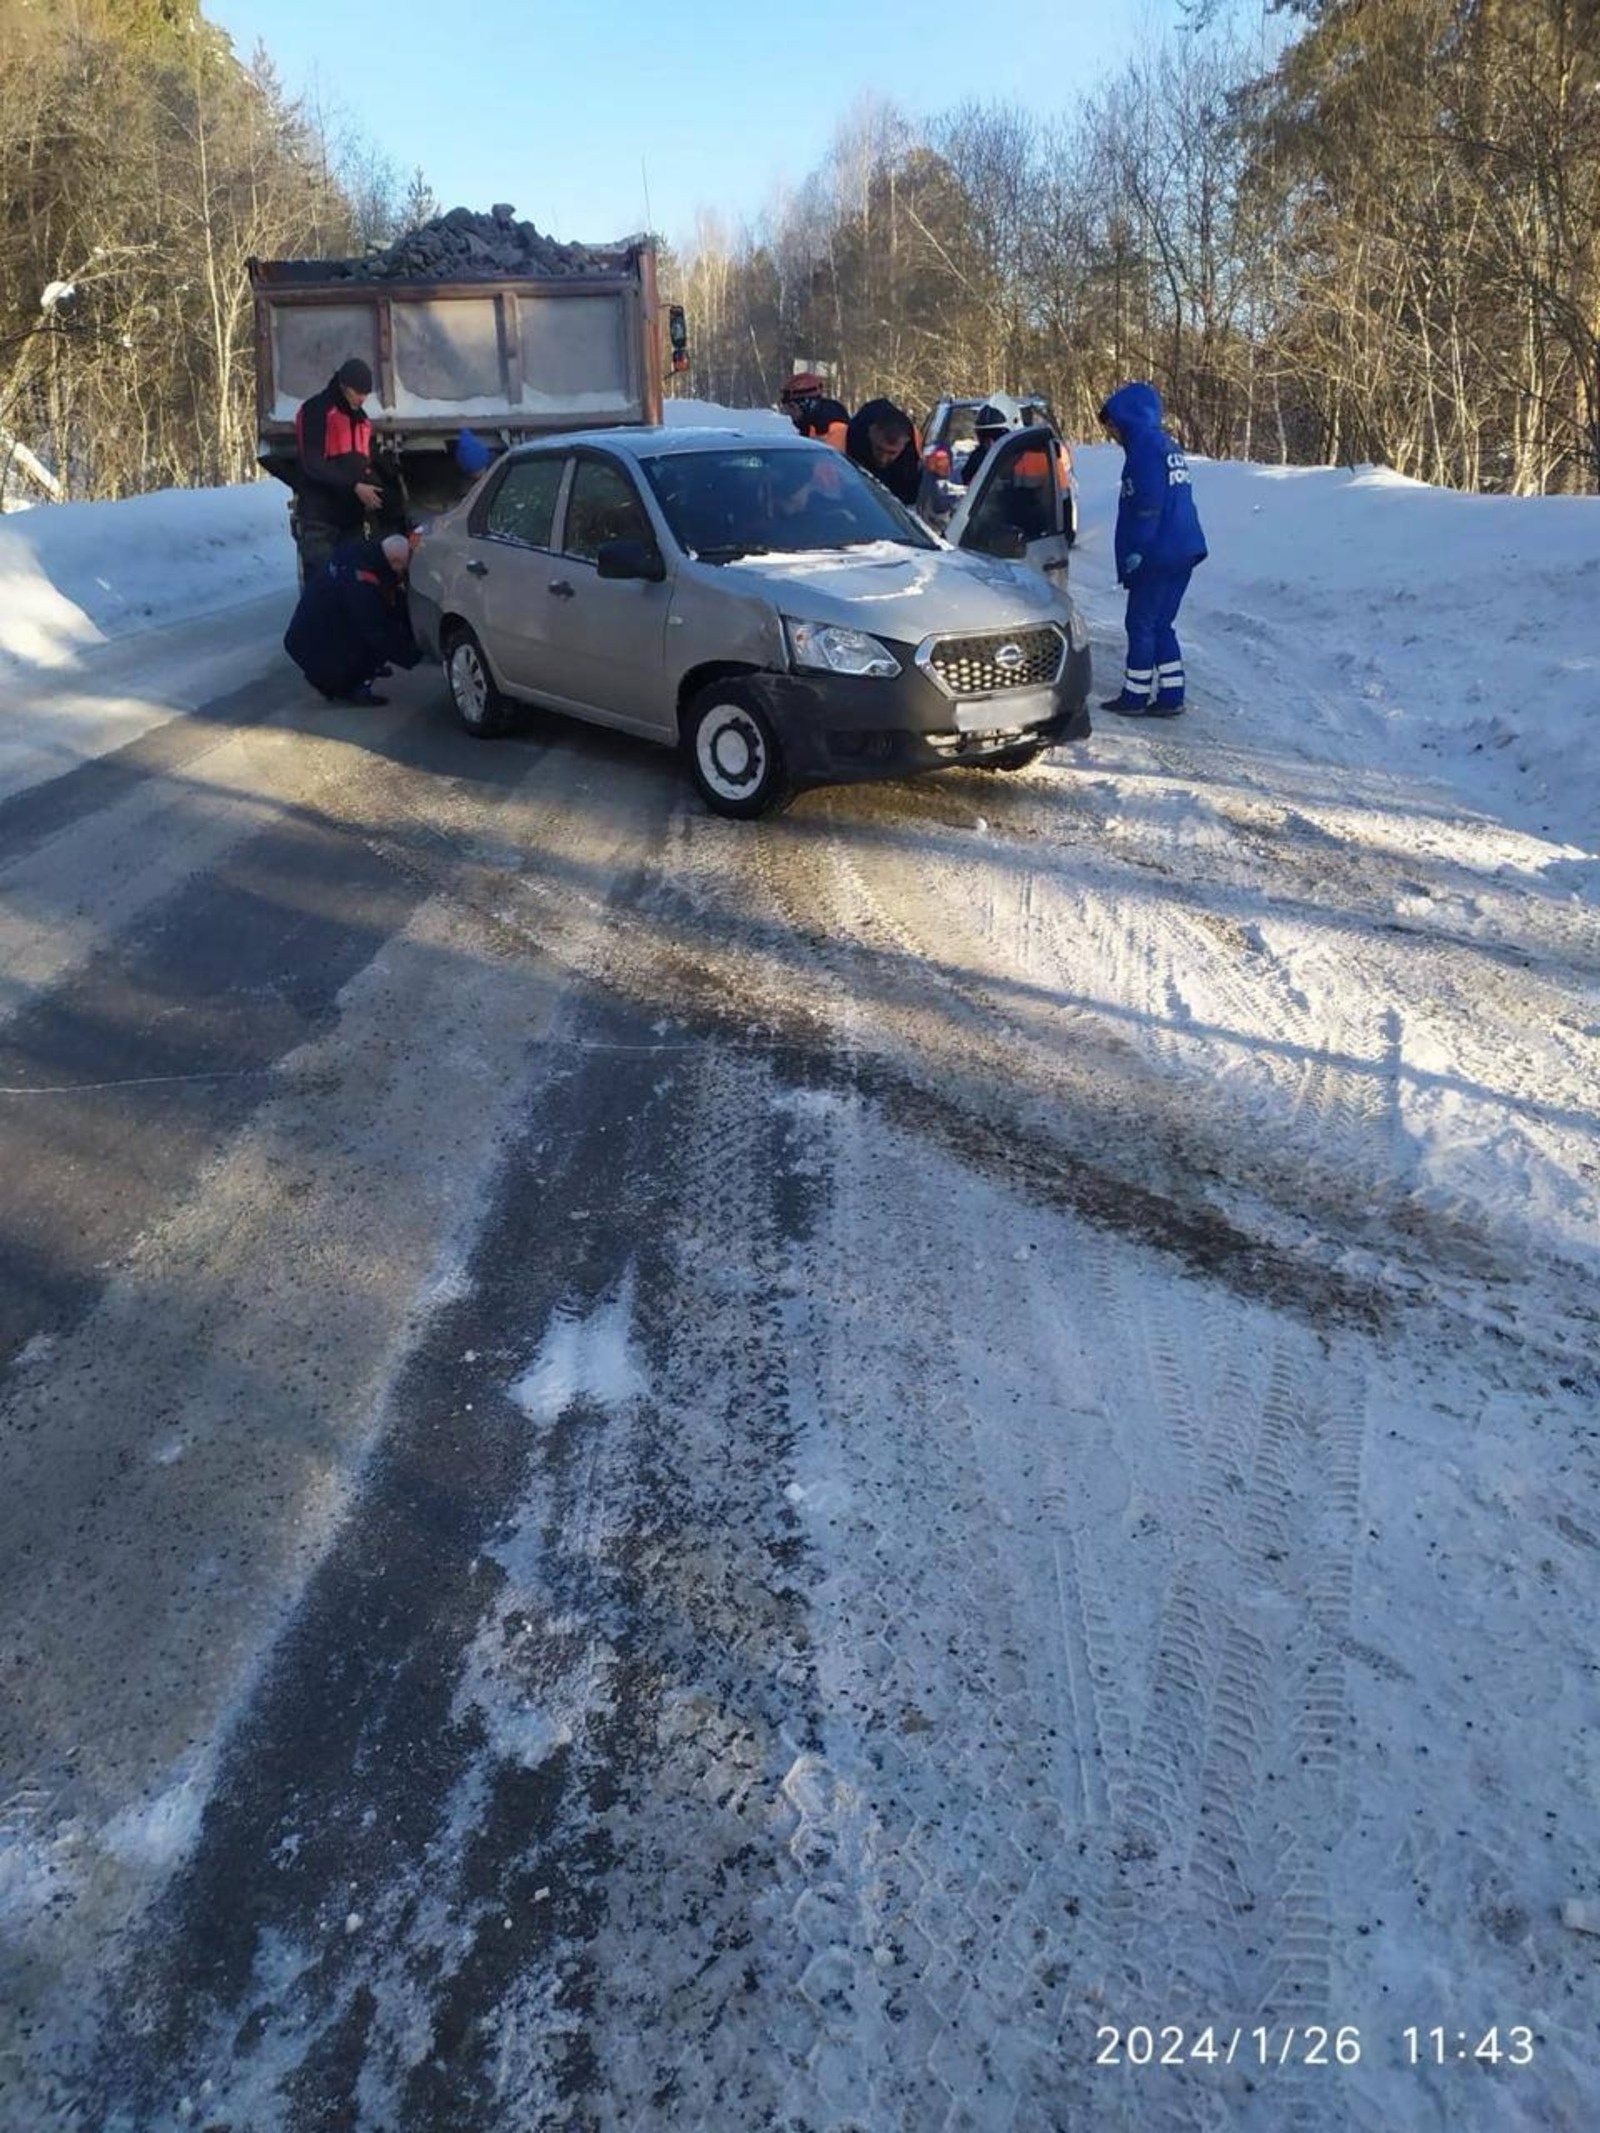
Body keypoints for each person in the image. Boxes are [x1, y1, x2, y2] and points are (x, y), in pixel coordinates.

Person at [1098, 380, 1207, 717]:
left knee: (1141, 623)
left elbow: (1147, 504)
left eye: (1112, 426)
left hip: (1159, 552)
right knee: (1162, 623)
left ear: (1126, 418)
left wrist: (1138, 552)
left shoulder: (1144, 448)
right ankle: (1172, 695)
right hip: (1184, 547)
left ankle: (1135, 695)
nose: (1111, 434)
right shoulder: (1165, 444)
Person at [283, 532, 421, 706]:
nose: (403, 574)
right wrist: (413, 655)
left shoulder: (359, 551)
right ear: (394, 562)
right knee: (373, 638)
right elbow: (377, 631)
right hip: (314, 643)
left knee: (376, 622)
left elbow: (392, 596)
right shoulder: (360, 585)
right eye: (403, 569)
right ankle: (349, 687)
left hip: (307, 630)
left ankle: (344, 672)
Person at [293, 356, 383, 579]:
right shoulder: (316, 410)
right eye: (358, 392)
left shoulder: (362, 420)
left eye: (366, 393)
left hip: (350, 523)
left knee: (351, 589)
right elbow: (313, 464)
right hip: (320, 521)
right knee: (323, 589)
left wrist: (374, 486)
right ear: (343, 386)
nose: (362, 398)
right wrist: (354, 486)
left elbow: (365, 465)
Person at [845, 398, 921, 508]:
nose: (883, 459)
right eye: (879, 449)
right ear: (870, 433)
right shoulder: (856, 432)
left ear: (905, 444)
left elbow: (908, 498)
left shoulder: (908, 451)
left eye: (892, 453)